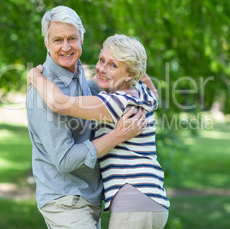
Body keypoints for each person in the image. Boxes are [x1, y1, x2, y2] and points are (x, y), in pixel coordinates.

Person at [28, 34, 170, 229]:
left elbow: (59, 103)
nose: (102, 68)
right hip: (154, 200)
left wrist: (34, 76)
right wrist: (132, 62)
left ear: (129, 73)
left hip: (133, 200)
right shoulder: (142, 93)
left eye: (113, 65)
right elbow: (152, 90)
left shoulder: (116, 102)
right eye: (102, 60)